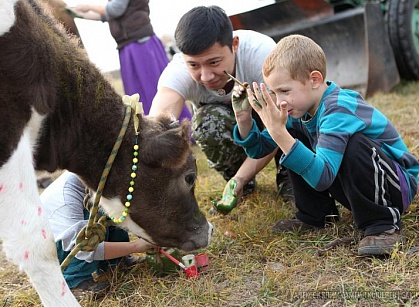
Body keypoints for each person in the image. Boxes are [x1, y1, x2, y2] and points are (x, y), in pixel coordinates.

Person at [232, 34, 419, 256]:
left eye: (285, 91)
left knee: (354, 144)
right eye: (274, 92)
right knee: (292, 136)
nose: (279, 101)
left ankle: (383, 226)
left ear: (314, 80)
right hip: (359, 186)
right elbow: (258, 149)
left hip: (396, 186)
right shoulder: (297, 112)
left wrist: (279, 133)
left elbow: (323, 177)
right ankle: (315, 216)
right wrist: (244, 118)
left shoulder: (338, 108)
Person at [149, 5, 292, 208]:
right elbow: (157, 128)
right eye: (194, 65)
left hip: (275, 123)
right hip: (237, 129)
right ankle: (242, 186)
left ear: (234, 45)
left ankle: (288, 172)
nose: (206, 76)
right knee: (206, 122)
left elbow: (282, 123)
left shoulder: (263, 55)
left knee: (292, 114)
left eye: (214, 62)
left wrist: (240, 178)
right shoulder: (177, 72)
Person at [67, 0, 191, 120]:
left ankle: (174, 127)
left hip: (140, 46)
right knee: (138, 92)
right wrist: (76, 13)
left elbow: (115, 9)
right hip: (128, 46)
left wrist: (88, 5)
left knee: (154, 89)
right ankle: (151, 130)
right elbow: (106, 15)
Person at [40, 171, 155, 297]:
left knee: (110, 210)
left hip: (68, 233)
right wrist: (137, 246)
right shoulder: (66, 200)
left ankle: (115, 262)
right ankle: (75, 282)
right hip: (52, 244)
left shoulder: (92, 181)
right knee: (91, 224)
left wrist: (146, 233)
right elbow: (82, 248)